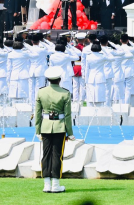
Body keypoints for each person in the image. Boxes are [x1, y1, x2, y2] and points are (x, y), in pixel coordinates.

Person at [35, 65, 74, 194]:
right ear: (59, 79)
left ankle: (46, 184)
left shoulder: (41, 92)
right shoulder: (65, 93)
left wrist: (37, 130)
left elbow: (37, 113)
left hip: (45, 126)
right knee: (57, 155)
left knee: (45, 155)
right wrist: (70, 133)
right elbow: (68, 115)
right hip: (60, 126)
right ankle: (55, 184)